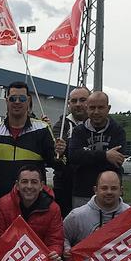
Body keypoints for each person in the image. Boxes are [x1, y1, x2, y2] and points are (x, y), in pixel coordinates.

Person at [0, 81, 59, 203]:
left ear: (28, 100)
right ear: (6, 101)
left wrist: (61, 153)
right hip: (0, 204)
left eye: (21, 98)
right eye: (12, 98)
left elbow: (56, 163)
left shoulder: (42, 129)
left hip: (34, 204)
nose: (17, 102)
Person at [66, 91, 126, 209]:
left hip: (110, 193)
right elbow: (73, 156)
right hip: (82, 192)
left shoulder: (118, 131)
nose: (96, 112)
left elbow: (117, 160)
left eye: (100, 107)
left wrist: (87, 155)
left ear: (108, 108)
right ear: (87, 108)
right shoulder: (79, 131)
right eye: (92, 108)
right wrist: (105, 155)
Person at [52, 86, 90, 216]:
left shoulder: (97, 125)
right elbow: (54, 159)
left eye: (82, 100)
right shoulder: (60, 126)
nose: (78, 104)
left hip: (91, 186)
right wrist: (59, 154)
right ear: (68, 104)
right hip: (65, 187)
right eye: (74, 101)